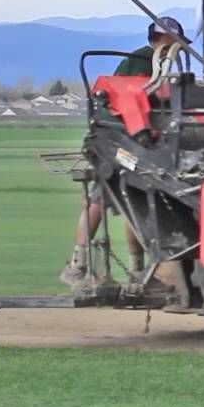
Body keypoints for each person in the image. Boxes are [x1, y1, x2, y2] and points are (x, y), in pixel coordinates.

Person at [59, 16, 186, 286]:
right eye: (174, 42)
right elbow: (131, 100)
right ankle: (77, 266)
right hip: (117, 139)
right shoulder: (142, 62)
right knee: (99, 201)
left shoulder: (160, 64)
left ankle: (137, 271)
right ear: (160, 40)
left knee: (135, 200)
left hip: (135, 140)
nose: (178, 48)